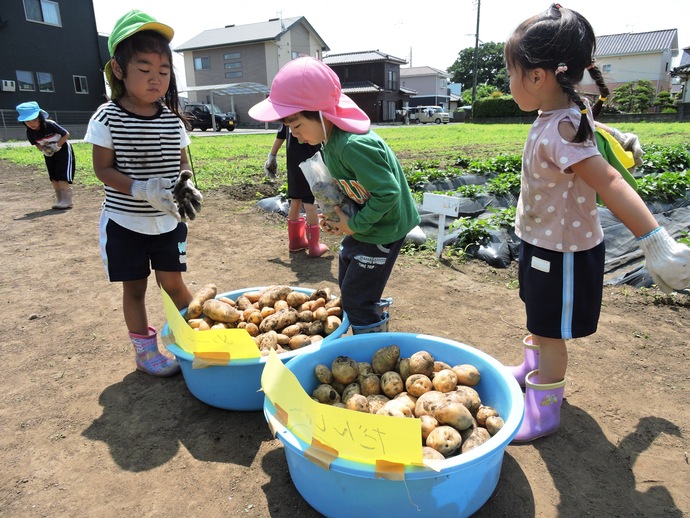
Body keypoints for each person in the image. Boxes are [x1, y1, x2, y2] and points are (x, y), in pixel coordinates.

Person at [503, 3, 690, 442]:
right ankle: (533, 369)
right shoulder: (564, 114)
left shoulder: (563, 127)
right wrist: (614, 136)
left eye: (512, 73)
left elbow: (608, 181)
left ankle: (544, 411)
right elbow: (588, 126)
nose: (508, 83)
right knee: (539, 314)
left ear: (537, 77)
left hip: (563, 251)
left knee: (551, 332)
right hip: (539, 241)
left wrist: (654, 240)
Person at [249, 57, 421, 333]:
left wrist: (354, 224)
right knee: (348, 277)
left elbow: (388, 193)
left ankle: (370, 345)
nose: (295, 135)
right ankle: (373, 308)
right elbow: (354, 187)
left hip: (384, 228)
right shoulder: (330, 140)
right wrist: (338, 217)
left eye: (296, 127)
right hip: (366, 223)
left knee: (355, 297)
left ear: (318, 113)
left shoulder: (352, 145)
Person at [84, 10, 202, 376]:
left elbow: (183, 163)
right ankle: (145, 351)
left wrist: (185, 185)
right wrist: (139, 188)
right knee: (134, 289)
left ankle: (197, 337)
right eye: (145, 69)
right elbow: (101, 169)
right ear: (119, 71)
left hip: (167, 221)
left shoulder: (171, 119)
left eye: (163, 72)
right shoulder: (108, 117)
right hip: (125, 222)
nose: (155, 79)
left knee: (174, 283)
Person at [264, 124, 328, 257]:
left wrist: (272, 156)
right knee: (310, 204)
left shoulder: (289, 116)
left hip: (293, 165)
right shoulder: (310, 116)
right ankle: (314, 247)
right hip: (311, 164)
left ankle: (295, 242)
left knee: (295, 201)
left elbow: (280, 136)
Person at [16, 101, 75, 210]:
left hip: (62, 150)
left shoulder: (50, 124)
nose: (31, 123)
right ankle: (59, 199)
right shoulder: (30, 132)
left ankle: (67, 200)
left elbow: (65, 134)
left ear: (40, 117)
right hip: (48, 153)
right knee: (53, 176)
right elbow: (37, 144)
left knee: (61, 174)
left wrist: (57, 146)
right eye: (27, 121)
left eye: (34, 119)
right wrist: (44, 150)